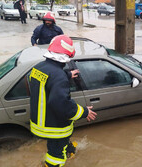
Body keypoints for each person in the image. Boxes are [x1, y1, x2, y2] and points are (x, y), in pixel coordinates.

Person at [29, 35, 97, 167]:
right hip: (53, 127)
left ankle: (69, 150)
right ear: (66, 56)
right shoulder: (58, 76)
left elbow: (49, 79)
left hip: (39, 121)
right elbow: (61, 104)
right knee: (56, 156)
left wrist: (67, 74)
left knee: (56, 145)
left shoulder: (37, 68)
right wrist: (83, 112)